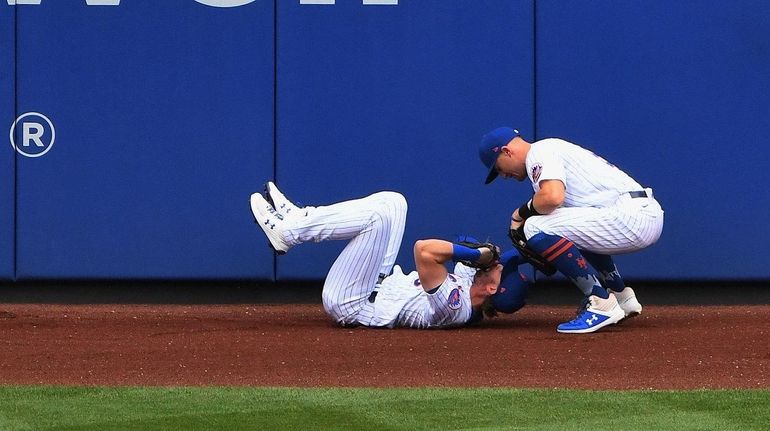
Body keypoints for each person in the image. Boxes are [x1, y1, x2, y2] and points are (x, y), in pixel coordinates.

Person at [249, 182, 530, 329]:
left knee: (378, 218)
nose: (497, 262)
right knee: (394, 203)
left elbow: (425, 250)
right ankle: (300, 219)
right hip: (376, 284)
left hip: (352, 303)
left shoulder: (457, 308)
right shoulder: (474, 286)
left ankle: (289, 233)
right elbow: (461, 242)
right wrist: (481, 253)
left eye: (500, 268)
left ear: (492, 288)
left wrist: (475, 255)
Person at [479, 127, 664, 334]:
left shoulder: (540, 151)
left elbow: (552, 197)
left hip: (632, 215)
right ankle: (620, 297)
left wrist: (519, 214)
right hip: (637, 212)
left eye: (498, 168)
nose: (503, 175)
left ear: (506, 151)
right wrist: (503, 260)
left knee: (534, 225)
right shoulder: (549, 151)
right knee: (564, 227)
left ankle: (601, 302)